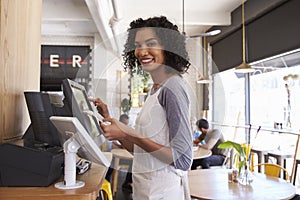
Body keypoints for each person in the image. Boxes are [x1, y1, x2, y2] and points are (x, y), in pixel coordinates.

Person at [91, 16, 193, 200]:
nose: (142, 51)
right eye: (138, 45)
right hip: (146, 191)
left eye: (151, 43)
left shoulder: (173, 87)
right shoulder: (155, 90)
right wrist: (110, 120)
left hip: (164, 193)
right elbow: (140, 153)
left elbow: (183, 160)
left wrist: (129, 133)